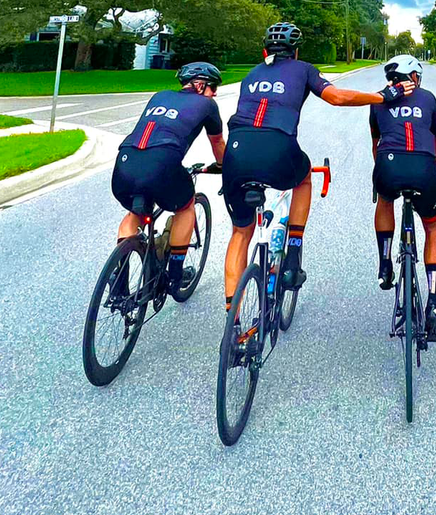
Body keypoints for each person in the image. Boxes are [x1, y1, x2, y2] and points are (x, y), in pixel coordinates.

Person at [222, 22, 413, 310]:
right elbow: (336, 97)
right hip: (278, 148)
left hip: (235, 152)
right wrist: (384, 96)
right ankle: (293, 252)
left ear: (265, 51)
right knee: (303, 177)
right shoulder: (304, 69)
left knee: (240, 233)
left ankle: (232, 320)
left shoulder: (251, 74)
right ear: (296, 52)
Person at [112, 62, 226, 291]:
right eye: (213, 87)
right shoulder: (207, 104)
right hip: (162, 165)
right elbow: (217, 143)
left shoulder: (159, 95)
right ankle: (174, 274)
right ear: (200, 84)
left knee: (135, 214)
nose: (214, 93)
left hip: (125, 163)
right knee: (185, 207)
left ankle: (118, 278)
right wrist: (223, 165)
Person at [370, 54, 436, 338]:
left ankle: (386, 262)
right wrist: (428, 168)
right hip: (425, 169)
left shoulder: (377, 100)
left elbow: (375, 144)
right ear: (414, 78)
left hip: (387, 166)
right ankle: (435, 303)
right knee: (434, 227)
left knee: (385, 199)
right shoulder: (428, 98)